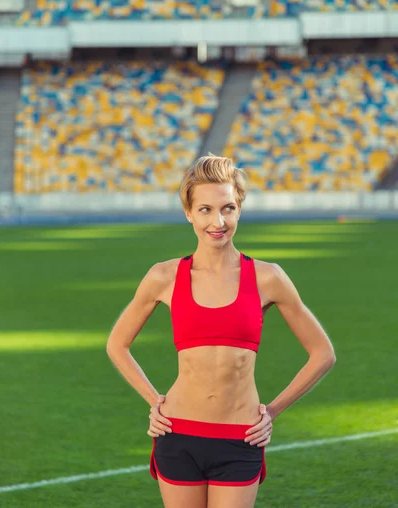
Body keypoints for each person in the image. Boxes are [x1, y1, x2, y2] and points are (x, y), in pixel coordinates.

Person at [106, 153, 336, 508]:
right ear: (188, 213)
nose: (218, 221)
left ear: (239, 209)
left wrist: (271, 412)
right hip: (178, 432)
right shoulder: (163, 276)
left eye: (228, 208)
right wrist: (155, 401)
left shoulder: (268, 277)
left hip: (240, 437)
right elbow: (117, 344)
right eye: (205, 210)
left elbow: (323, 353)